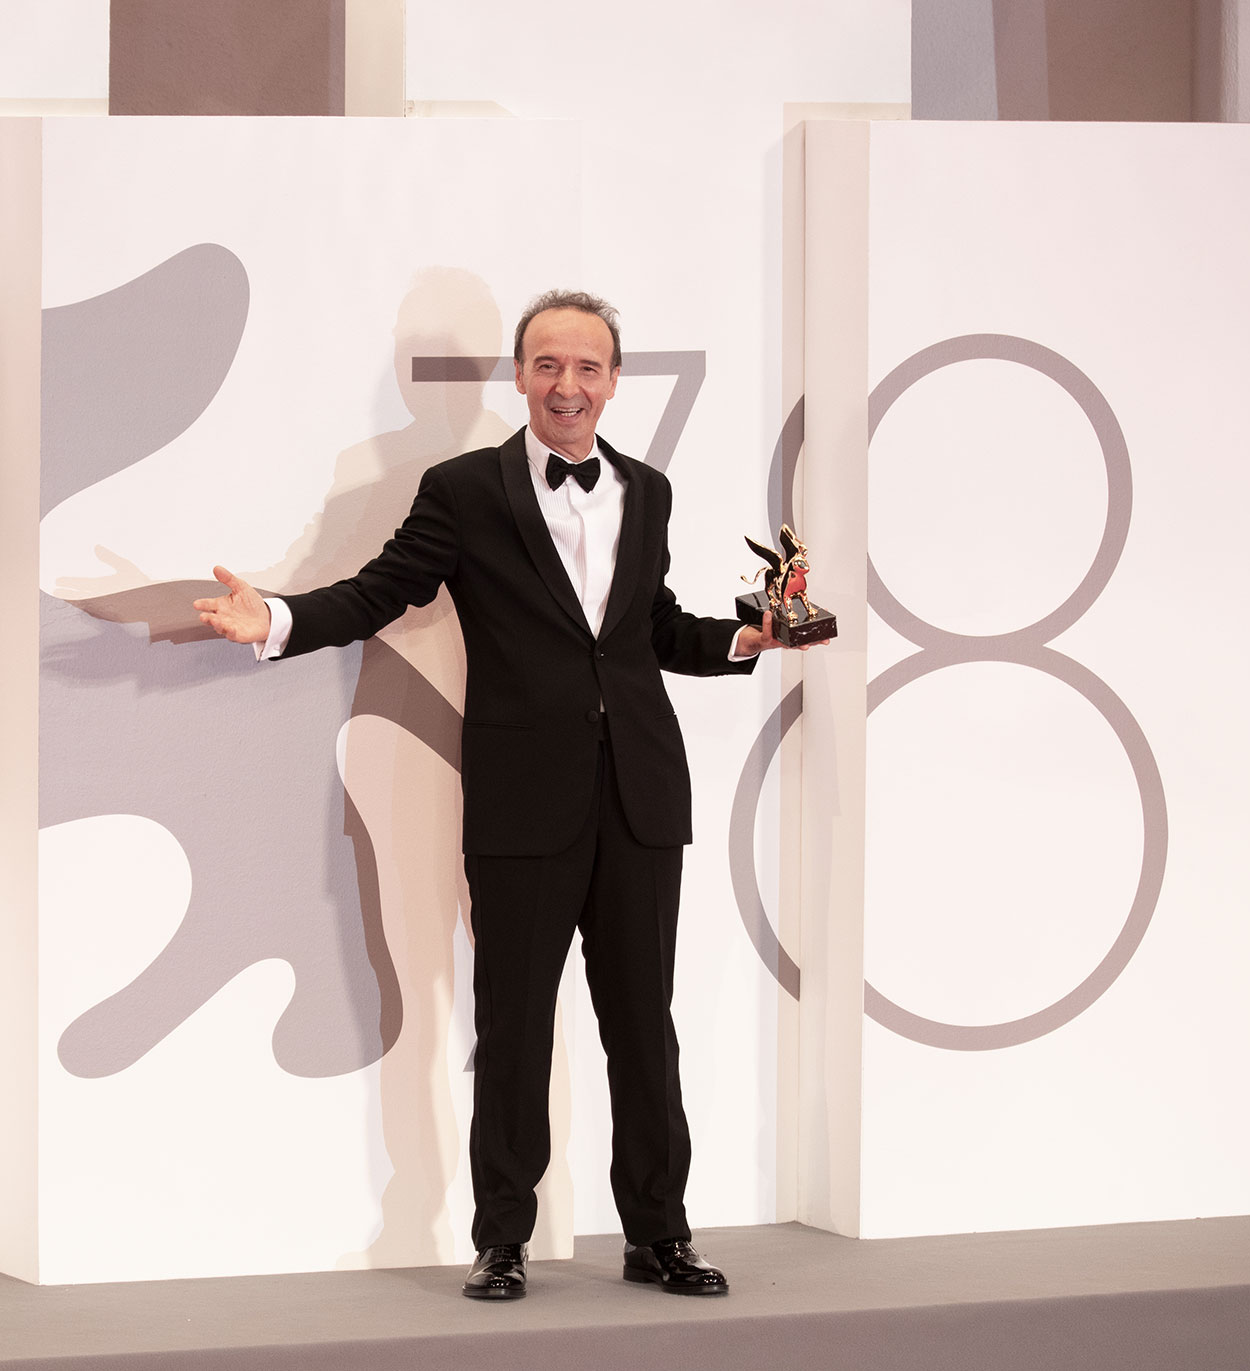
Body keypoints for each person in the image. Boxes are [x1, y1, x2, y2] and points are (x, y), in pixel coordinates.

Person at [195, 290, 806, 1300]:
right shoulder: (465, 490)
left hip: (643, 796)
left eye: (590, 368)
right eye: (549, 366)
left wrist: (747, 638)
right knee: (513, 1022)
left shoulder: (647, 492)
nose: (569, 385)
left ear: (613, 381)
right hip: (524, 799)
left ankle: (660, 1234)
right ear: (521, 377)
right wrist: (280, 618)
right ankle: (504, 1241)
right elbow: (382, 590)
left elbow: (649, 629)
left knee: (643, 1026)